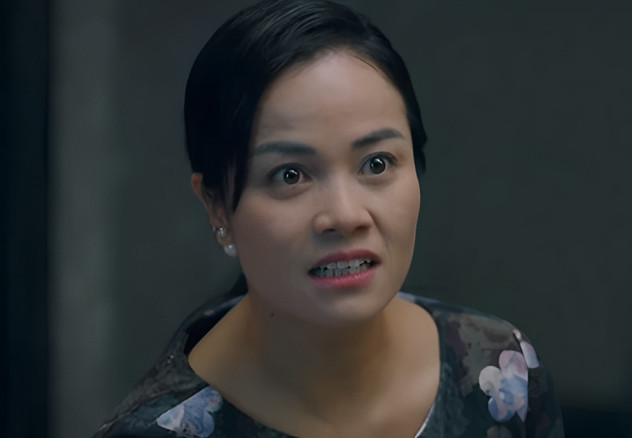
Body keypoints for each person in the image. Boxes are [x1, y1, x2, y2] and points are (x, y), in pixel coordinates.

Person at [94, 0, 563, 436]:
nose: (345, 215)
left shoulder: (502, 373)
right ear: (216, 205)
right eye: (290, 175)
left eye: (376, 164)